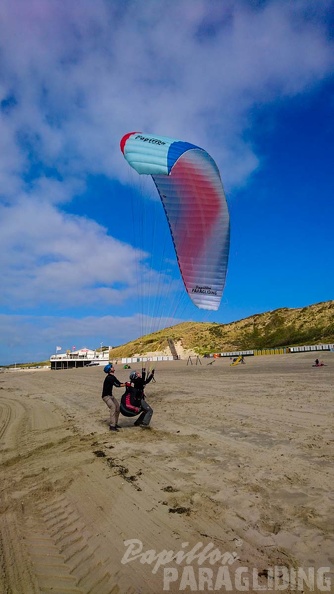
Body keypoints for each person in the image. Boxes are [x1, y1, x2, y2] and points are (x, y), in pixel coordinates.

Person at [101, 363, 125, 432]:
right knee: (113, 407)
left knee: (118, 408)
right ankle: (112, 426)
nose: (113, 367)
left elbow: (119, 383)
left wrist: (126, 383)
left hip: (110, 396)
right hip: (106, 396)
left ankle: (115, 423)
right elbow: (117, 385)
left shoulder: (112, 377)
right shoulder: (109, 378)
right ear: (109, 370)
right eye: (111, 367)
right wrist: (125, 384)